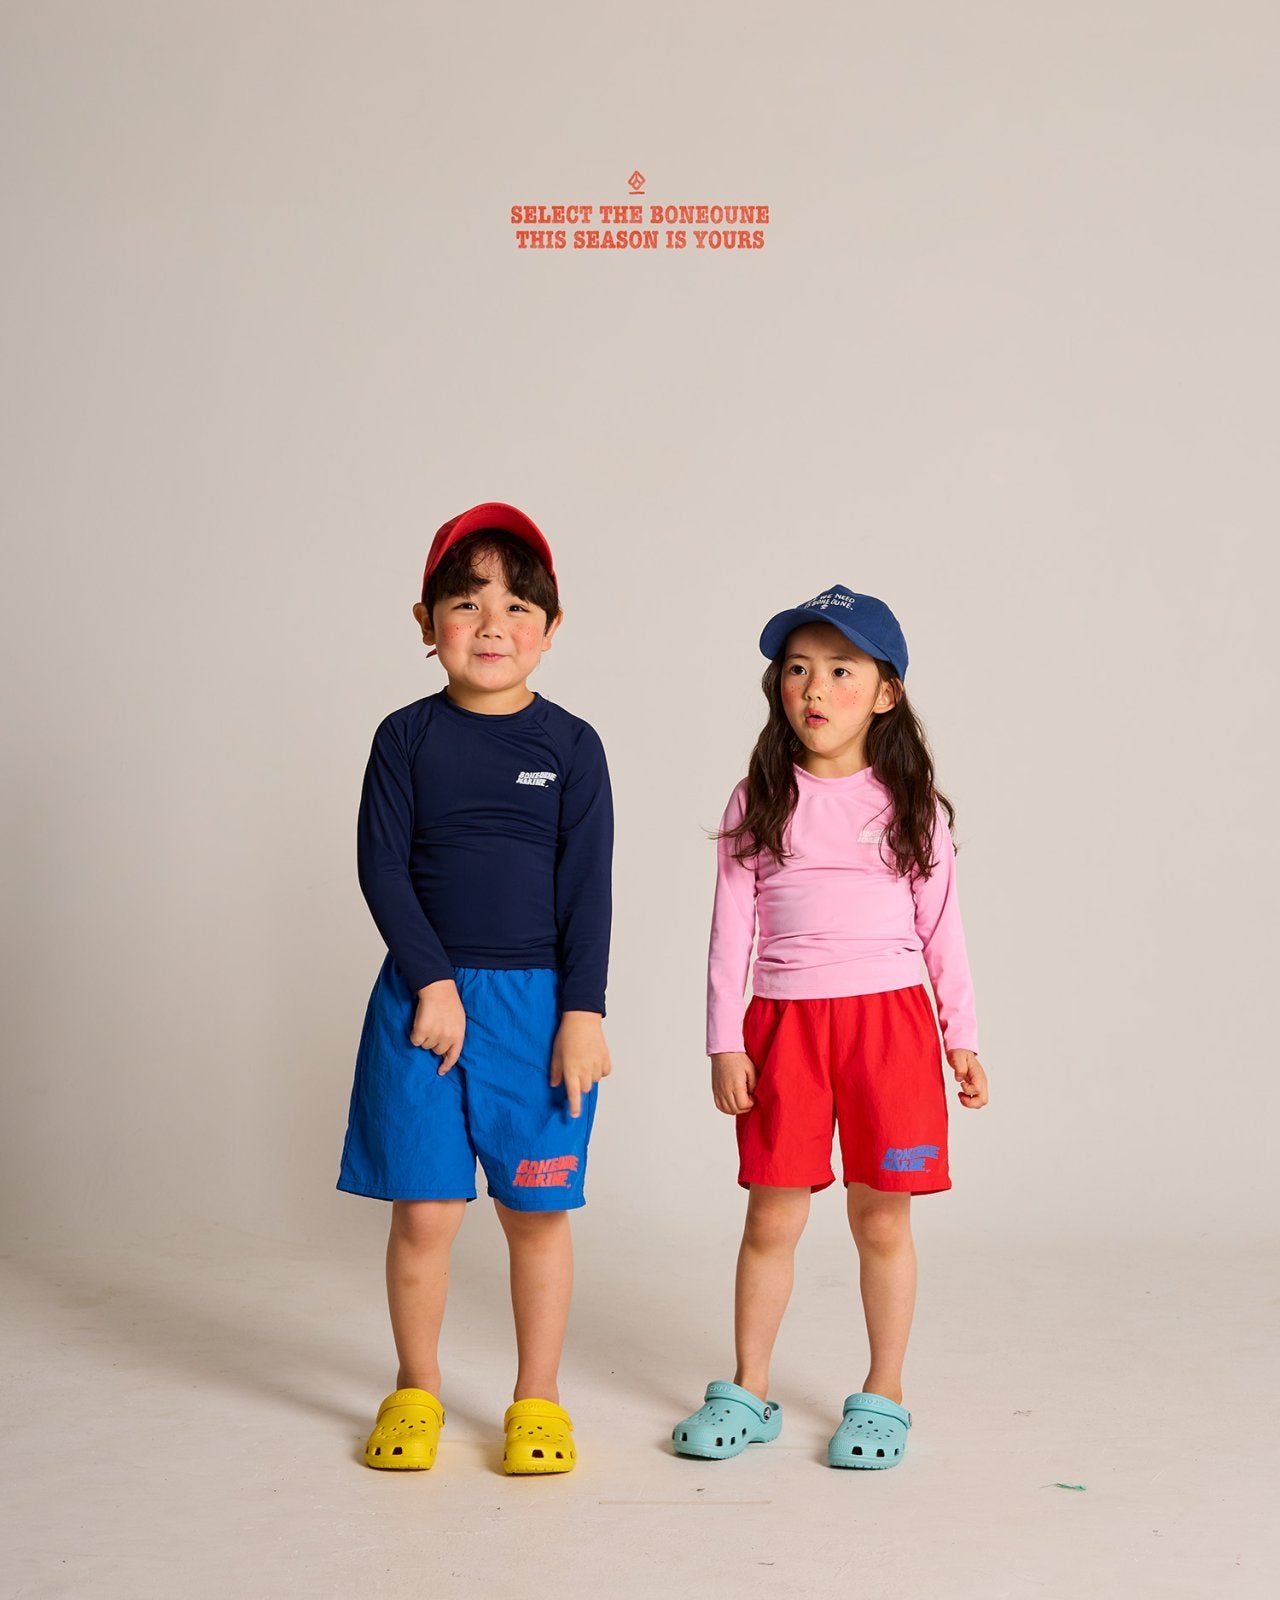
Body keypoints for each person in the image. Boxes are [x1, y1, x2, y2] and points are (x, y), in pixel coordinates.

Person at [672, 585, 988, 1469]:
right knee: (772, 1217)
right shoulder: (758, 798)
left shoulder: (911, 805)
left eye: (842, 671)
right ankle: (749, 1389)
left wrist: (960, 1037)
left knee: (881, 1221)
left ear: (887, 692)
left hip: (890, 1027)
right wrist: (724, 1041)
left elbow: (943, 930)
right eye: (798, 669)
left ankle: (884, 1396)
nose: (815, 688)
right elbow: (729, 932)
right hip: (784, 1029)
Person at [338, 501, 612, 1475]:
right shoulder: (405, 739)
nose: (492, 625)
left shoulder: (571, 746)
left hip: (536, 1013)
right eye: (465, 604)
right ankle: (415, 1387)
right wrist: (433, 982)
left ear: (551, 627)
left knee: (536, 1214)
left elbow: (587, 889)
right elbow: (381, 868)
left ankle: (537, 1400)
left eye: (516, 607)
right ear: (426, 623)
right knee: (425, 1213)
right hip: (423, 1004)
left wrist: (582, 1013)